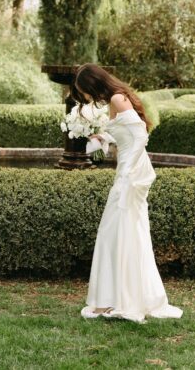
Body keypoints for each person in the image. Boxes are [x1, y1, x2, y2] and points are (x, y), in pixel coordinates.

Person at [74, 63, 183, 323]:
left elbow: (140, 136)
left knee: (119, 230)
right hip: (126, 170)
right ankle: (113, 298)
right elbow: (123, 136)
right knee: (119, 231)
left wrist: (128, 172)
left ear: (93, 84)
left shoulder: (117, 98)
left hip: (131, 175)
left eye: (85, 91)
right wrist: (100, 140)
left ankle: (120, 300)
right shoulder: (115, 100)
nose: (87, 97)